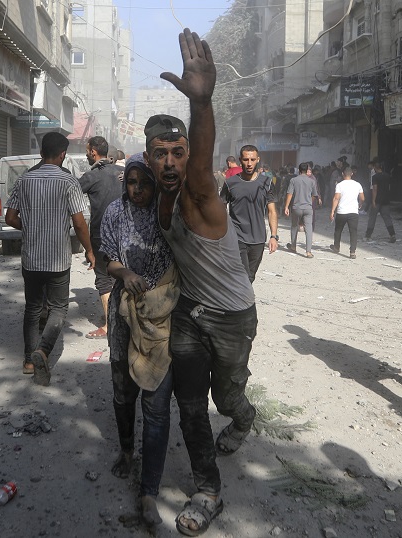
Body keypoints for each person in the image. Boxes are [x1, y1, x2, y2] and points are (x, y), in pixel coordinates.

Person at [149, 29, 257, 536]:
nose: (170, 162)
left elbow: (201, 165)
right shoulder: (155, 199)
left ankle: (244, 417)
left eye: (178, 152)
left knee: (225, 399)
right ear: (148, 158)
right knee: (190, 405)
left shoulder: (201, 197)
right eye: (160, 153)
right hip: (190, 313)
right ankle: (208, 489)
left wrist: (202, 103)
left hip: (233, 316)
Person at [101, 153, 176, 528]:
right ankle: (128, 450)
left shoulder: (167, 212)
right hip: (123, 313)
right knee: (122, 391)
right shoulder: (115, 212)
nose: (138, 189)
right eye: (132, 182)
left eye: (145, 182)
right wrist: (126, 273)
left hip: (160, 315)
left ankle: (149, 491)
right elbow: (107, 258)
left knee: (156, 403)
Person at [4, 132, 94, 385]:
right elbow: (79, 223)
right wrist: (89, 250)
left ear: (42, 152)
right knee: (58, 308)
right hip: (58, 260)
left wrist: (31, 227)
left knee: (33, 308)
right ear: (63, 154)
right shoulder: (69, 181)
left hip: (31, 258)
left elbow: (10, 218)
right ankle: (43, 351)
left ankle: (28, 361)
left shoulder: (24, 180)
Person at [78, 136, 124, 339]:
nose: (86, 154)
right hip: (125, 234)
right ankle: (122, 317)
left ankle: (109, 325)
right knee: (121, 275)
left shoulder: (91, 176)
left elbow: (71, 193)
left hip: (101, 236)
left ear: (93, 152)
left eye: (87, 151)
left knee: (104, 279)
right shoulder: (123, 173)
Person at [220, 145, 279, 281]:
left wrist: (274, 236)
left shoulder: (267, 183)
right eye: (246, 159)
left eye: (252, 159)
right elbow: (221, 210)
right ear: (240, 160)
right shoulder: (230, 183)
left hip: (258, 239)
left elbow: (272, 211)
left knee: (250, 277)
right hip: (237, 237)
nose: (249, 163)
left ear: (258, 159)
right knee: (243, 276)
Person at [284, 161, 321, 257]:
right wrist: (309, 202)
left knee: (294, 226)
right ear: (306, 170)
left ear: (299, 170)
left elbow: (290, 194)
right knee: (308, 228)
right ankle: (308, 251)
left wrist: (286, 206)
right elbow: (315, 195)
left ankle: (293, 246)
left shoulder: (293, 180)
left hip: (296, 207)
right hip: (308, 208)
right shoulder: (312, 181)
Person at [329, 166, 364, 259]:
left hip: (342, 211)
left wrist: (332, 211)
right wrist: (360, 203)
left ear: (342, 174)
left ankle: (336, 247)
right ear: (352, 174)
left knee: (338, 230)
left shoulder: (339, 185)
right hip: (353, 212)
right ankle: (352, 252)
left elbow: (336, 198)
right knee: (353, 232)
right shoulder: (358, 184)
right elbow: (362, 198)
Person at [364, 161, 397, 242]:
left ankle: (368, 235)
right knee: (387, 217)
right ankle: (392, 234)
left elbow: (375, 189)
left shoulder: (375, 177)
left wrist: (373, 200)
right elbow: (389, 187)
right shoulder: (387, 176)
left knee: (372, 217)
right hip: (385, 199)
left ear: (375, 168)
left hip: (377, 199)